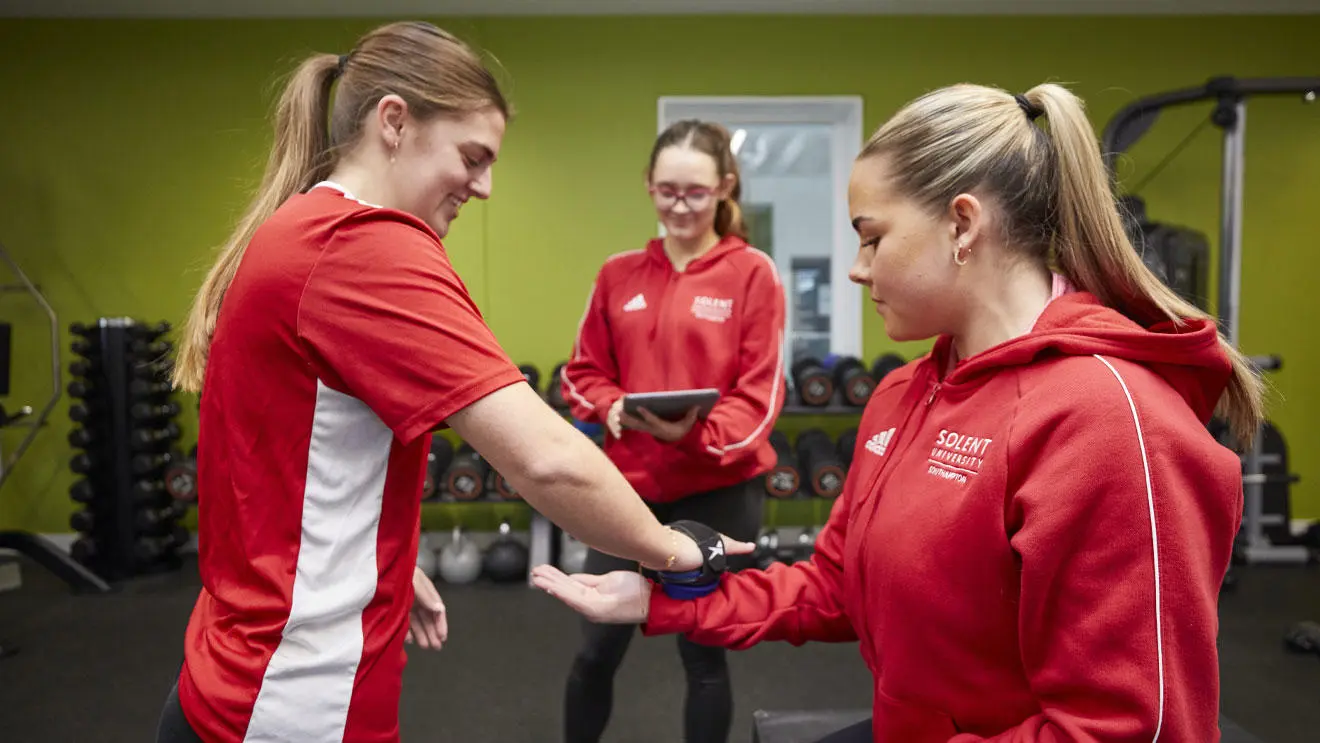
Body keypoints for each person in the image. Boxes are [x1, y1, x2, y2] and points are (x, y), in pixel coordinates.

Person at [533, 81, 1263, 743]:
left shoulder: (1109, 419)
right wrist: (663, 594)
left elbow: (1123, 729)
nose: (856, 267)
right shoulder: (906, 392)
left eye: (872, 236)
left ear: (962, 225)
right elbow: (833, 585)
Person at [158, 21, 750, 743]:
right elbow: (545, 458)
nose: (487, 186)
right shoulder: (367, 248)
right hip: (295, 700)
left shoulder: (301, 228)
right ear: (395, 122)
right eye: (473, 157)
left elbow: (277, 456)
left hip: (237, 672)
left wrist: (384, 563)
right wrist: (673, 551)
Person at [558, 119, 786, 743]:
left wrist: (690, 435)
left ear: (725, 188)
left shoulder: (752, 274)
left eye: (695, 192)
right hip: (625, 491)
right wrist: (612, 408)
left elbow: (760, 397)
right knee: (595, 651)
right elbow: (582, 373)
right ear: (649, 188)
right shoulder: (618, 274)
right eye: (666, 191)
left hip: (716, 492)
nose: (679, 206)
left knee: (702, 653)